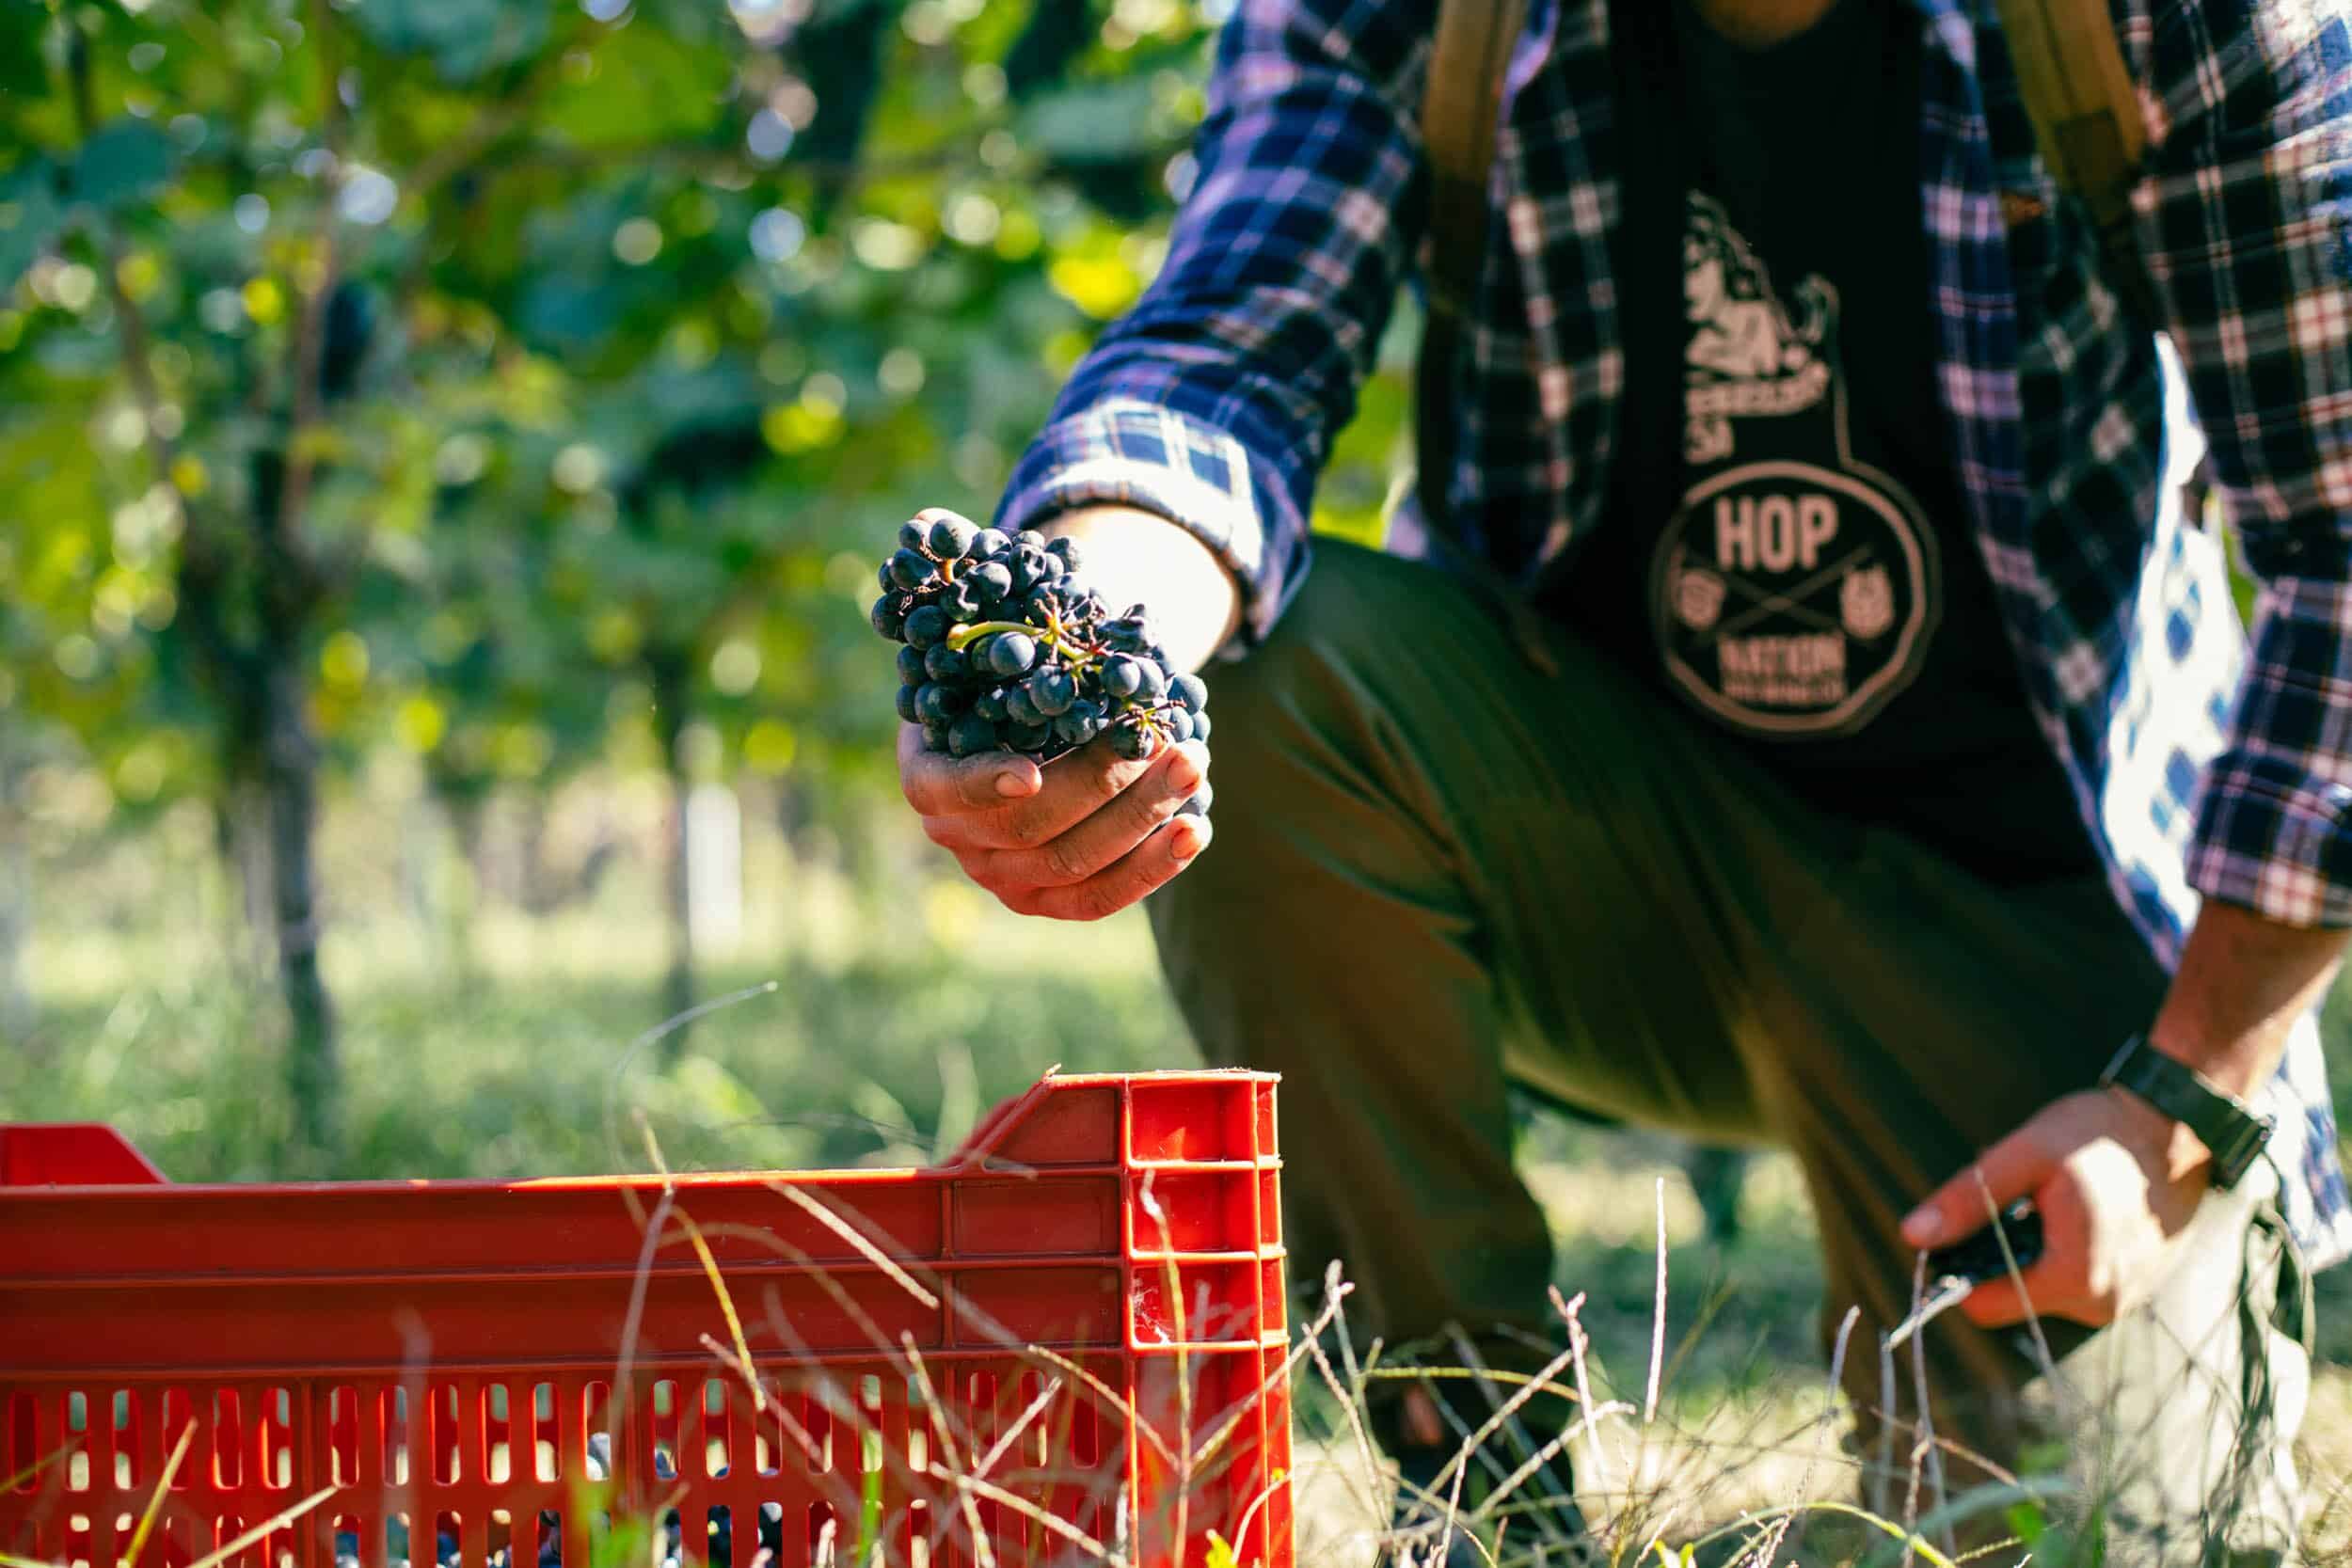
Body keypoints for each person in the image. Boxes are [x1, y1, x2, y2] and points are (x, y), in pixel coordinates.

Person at [895, 0, 2352, 1556]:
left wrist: (2184, 1101)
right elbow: (1225, 354)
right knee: (1254, 679)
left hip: (2030, 915)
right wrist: (1071, 656)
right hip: (1609, 851)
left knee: (2064, 1536)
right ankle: (1477, 1491)